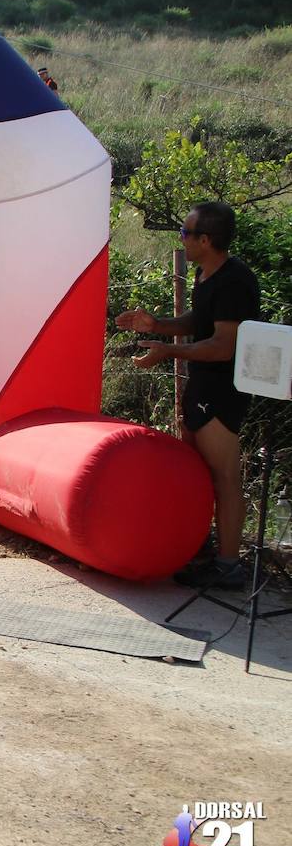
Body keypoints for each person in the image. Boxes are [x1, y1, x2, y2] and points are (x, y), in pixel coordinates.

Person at [117, 201, 261, 590]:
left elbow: (222, 346)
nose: (180, 237)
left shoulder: (234, 280)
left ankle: (229, 565)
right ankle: (200, 549)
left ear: (206, 239)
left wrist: (169, 351)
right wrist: (158, 325)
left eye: (185, 232)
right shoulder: (205, 273)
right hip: (201, 385)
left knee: (224, 477)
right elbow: (199, 324)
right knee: (195, 474)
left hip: (223, 391)